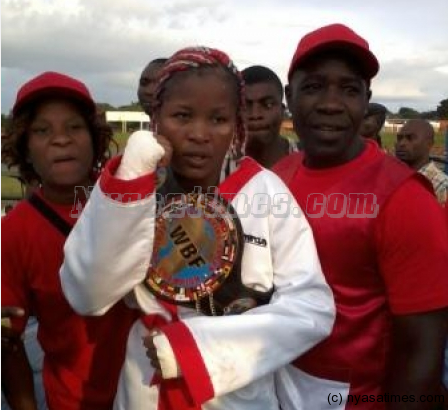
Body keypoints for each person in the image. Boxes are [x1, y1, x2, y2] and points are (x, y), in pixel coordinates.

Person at [60, 46, 335, 410]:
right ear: (156, 117)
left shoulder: (265, 191)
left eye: (218, 119)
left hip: (237, 395)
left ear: (236, 124)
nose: (199, 133)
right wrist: (130, 184)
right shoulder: (133, 182)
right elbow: (87, 295)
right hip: (146, 386)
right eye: (182, 115)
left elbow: (312, 307)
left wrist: (198, 348)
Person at [274, 23, 448, 410]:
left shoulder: (403, 197)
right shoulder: (274, 180)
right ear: (290, 96)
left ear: (366, 100)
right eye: (314, 86)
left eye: (349, 90)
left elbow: (422, 347)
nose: (331, 104)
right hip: (272, 392)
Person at [1, 71, 137, 410]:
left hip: (154, 393)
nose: (61, 139)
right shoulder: (13, 232)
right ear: (25, 149)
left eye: (75, 127)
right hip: (75, 401)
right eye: (42, 130)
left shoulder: (134, 199)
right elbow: (9, 342)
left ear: (95, 138)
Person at [220, 65, 299, 179]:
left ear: (282, 111)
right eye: (245, 106)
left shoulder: (308, 159)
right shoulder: (215, 167)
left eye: (268, 105)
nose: (255, 115)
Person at [395, 118, 448, 206]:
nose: (402, 143)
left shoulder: (442, 186)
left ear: (429, 144)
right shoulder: (391, 178)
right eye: (399, 138)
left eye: (410, 138)